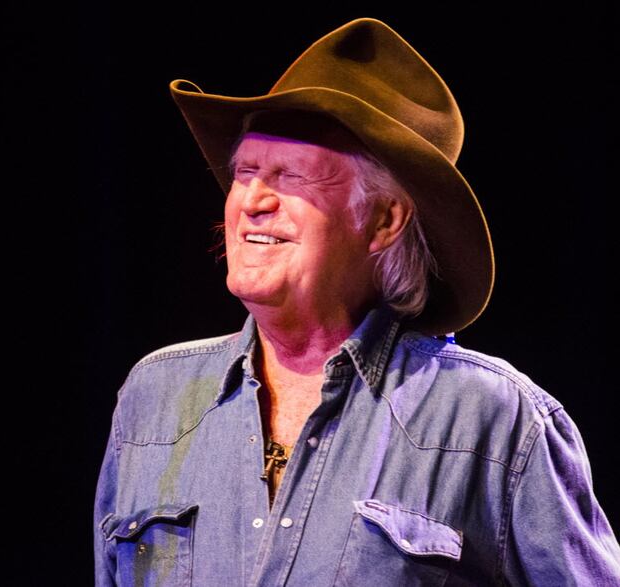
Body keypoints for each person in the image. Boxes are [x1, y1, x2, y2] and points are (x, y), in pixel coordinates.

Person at [94, 18, 620, 585]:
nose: (253, 200)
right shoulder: (155, 398)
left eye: (292, 176)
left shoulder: (494, 421)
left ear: (383, 220)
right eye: (245, 172)